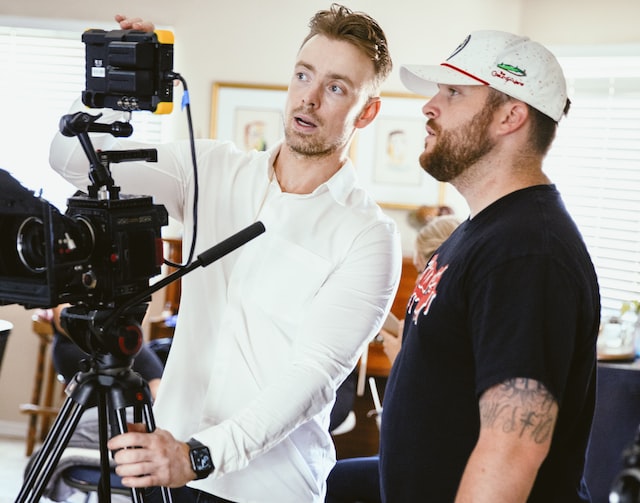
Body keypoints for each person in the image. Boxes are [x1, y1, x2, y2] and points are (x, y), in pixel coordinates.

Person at [49, 5, 401, 503]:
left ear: (367, 112)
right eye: (303, 75)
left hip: (264, 488)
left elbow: (313, 377)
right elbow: (70, 160)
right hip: (162, 464)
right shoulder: (209, 168)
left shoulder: (369, 236)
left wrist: (198, 455)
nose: (310, 97)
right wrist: (121, 84)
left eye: (337, 87)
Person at [379, 30, 601, 502]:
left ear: (509, 115)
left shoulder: (527, 252)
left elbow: (512, 450)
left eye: (453, 92)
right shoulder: (483, 231)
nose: (429, 106)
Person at [325, 214, 460, 503]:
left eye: (420, 270)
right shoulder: (442, 312)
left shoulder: (444, 318)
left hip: (426, 463)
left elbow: (431, 395)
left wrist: (400, 358)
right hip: (411, 451)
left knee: (325, 481)